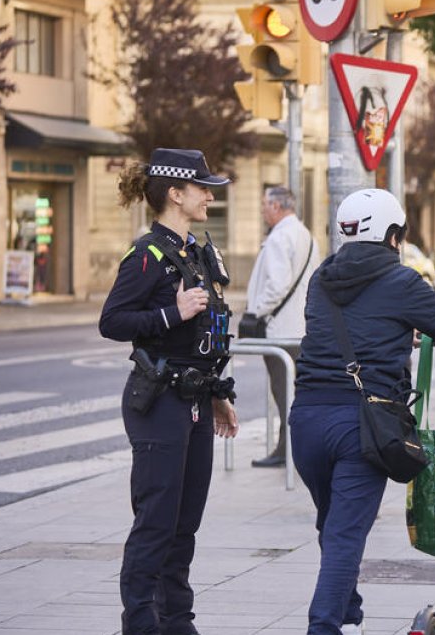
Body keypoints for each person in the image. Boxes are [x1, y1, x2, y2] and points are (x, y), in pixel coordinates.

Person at [290, 188, 435, 635]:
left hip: (307, 420)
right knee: (344, 536)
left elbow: (348, 328)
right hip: (361, 424)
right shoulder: (401, 281)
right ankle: (324, 627)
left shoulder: (322, 278)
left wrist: (396, 337)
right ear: (394, 235)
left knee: (332, 526)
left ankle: (350, 616)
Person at [99, 148, 241, 635]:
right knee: (157, 522)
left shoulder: (196, 252)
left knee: (184, 525)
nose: (209, 195)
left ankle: (177, 622)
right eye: (202, 188)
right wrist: (169, 314)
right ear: (175, 194)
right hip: (158, 402)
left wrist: (217, 392)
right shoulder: (147, 254)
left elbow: (203, 339)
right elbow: (112, 321)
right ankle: (141, 623)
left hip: (196, 399)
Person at [246, 186, 320, 467]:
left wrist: (256, 311)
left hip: (281, 330)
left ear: (277, 207)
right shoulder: (306, 235)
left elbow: (277, 285)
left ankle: (286, 450)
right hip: (302, 328)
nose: (263, 210)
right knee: (300, 394)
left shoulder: (279, 238)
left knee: (283, 394)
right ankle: (294, 448)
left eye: (265, 205)